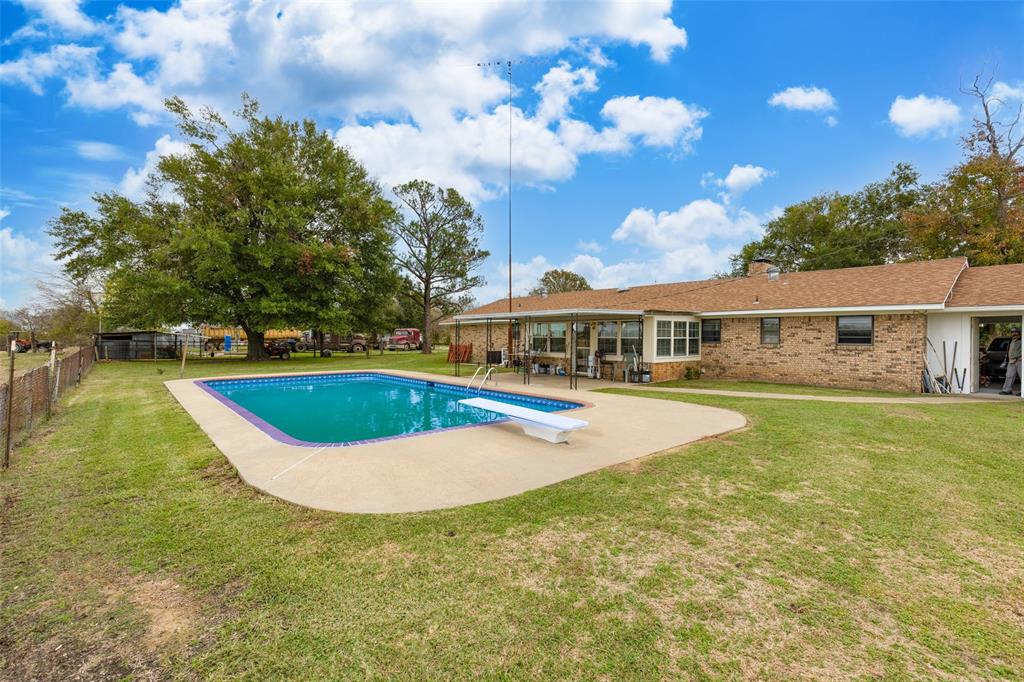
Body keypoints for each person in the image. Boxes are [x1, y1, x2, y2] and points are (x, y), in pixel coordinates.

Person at [1000, 327, 1021, 395]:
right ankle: (1007, 390)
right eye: (1012, 332)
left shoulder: (1022, 340)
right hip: (1011, 361)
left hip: (1020, 360)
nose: (1014, 333)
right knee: (1009, 376)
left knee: (1022, 376)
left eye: (1016, 332)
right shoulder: (1010, 340)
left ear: (1019, 333)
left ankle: (1023, 392)